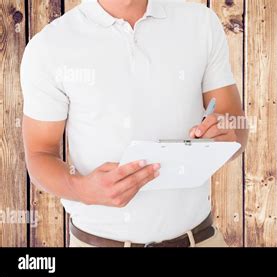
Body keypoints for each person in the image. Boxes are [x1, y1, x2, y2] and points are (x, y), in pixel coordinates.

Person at [21, 0, 248, 247]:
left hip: (200, 239)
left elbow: (236, 128)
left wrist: (226, 135)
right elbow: (39, 154)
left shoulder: (200, 23)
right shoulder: (50, 47)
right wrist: (82, 189)